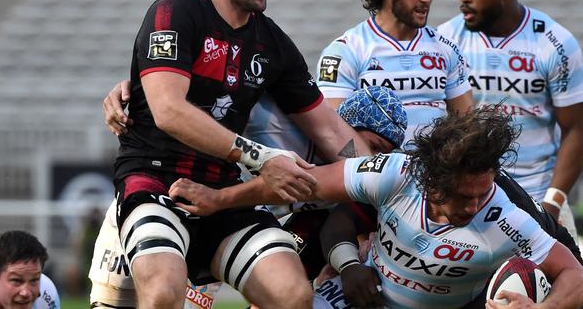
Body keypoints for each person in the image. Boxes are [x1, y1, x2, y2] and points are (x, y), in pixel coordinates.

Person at [109, 0, 375, 308]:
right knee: (162, 294)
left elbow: (331, 132)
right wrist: (262, 158)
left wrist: (386, 183)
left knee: (293, 295)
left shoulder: (272, 42)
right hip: (155, 181)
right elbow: (168, 111)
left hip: (221, 189)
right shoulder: (175, 11)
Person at [171, 107, 583, 309]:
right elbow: (305, 182)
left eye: (484, 192)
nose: (475, 205)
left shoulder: (505, 217)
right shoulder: (397, 172)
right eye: (464, 195)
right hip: (361, 298)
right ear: (433, 180)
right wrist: (219, 199)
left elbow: (574, 274)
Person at [91, 86, 408, 308]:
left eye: (385, 154)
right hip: (160, 202)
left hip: (218, 229)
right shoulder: (288, 129)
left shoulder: (355, 190)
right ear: (347, 128)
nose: (374, 160)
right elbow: (205, 94)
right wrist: (134, 88)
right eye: (373, 146)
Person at [437, 0, 583, 239]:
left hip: (537, 193)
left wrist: (553, 201)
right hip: (471, 196)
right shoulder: (445, 40)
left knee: (565, 280)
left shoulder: (553, 43)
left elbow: (577, 127)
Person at [314, 0, 474, 144]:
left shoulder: (445, 48)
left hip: (436, 173)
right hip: (375, 172)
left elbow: (468, 126)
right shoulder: (344, 50)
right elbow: (333, 134)